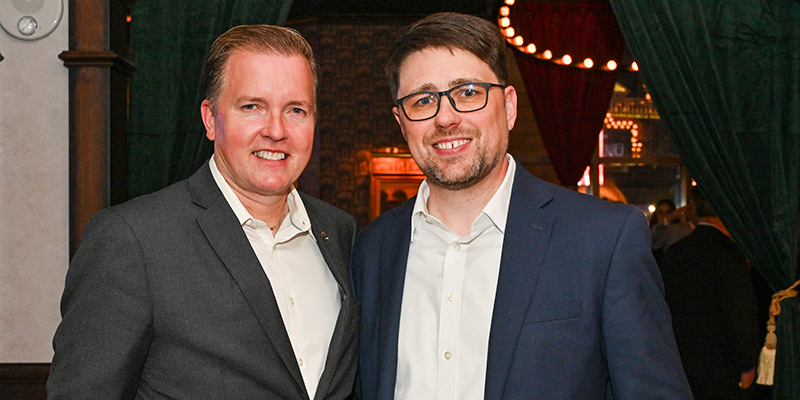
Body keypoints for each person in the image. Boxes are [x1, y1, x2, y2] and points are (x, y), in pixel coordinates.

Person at [350, 12, 692, 400]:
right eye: (423, 99)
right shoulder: (373, 249)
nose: (445, 118)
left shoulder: (603, 239)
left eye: (468, 92)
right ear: (401, 121)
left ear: (509, 107)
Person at [47, 25, 358, 399]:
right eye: (252, 107)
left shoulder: (339, 232)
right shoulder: (133, 240)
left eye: (296, 110)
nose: (276, 130)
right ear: (211, 119)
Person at [659, 187, 760, 400]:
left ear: (693, 209)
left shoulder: (676, 251)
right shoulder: (730, 253)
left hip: (680, 362)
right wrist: (748, 364)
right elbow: (739, 312)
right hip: (722, 367)